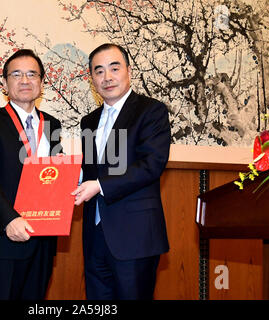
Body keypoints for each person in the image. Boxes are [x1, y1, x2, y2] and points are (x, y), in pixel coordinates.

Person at [72, 43, 171, 300]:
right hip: (94, 235)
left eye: (114, 68)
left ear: (128, 70)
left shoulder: (151, 111)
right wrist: (70, 177)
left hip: (134, 236)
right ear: (92, 78)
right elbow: (92, 169)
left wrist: (100, 186)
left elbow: (152, 164)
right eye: (99, 71)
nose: (107, 77)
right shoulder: (89, 122)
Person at [0, 49, 62, 300]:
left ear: (42, 83)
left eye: (32, 74)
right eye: (17, 74)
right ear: (4, 83)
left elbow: (54, 173)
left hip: (44, 239)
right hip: (6, 237)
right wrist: (9, 219)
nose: (25, 80)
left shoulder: (52, 124)